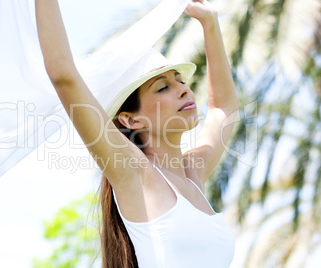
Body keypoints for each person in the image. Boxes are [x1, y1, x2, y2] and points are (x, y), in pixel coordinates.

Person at [35, 0, 238, 267]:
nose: (184, 89)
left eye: (181, 79)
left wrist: (209, 22)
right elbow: (63, 75)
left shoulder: (193, 174)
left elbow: (223, 109)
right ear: (131, 120)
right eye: (162, 87)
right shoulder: (134, 173)